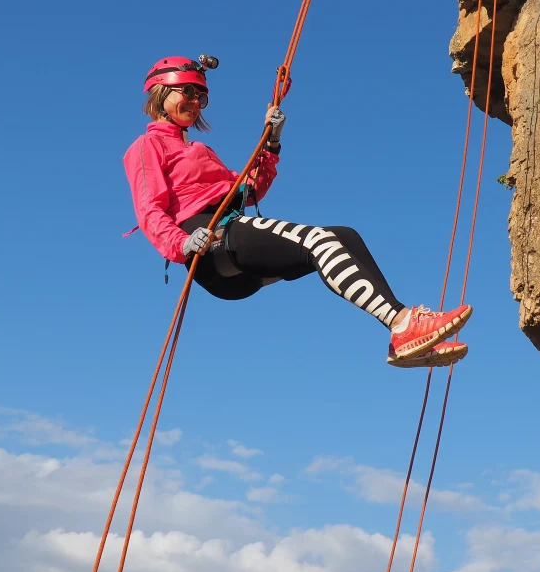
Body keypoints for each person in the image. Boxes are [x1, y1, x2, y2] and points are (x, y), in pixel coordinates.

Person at [123, 56, 473, 368]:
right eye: (187, 92)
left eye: (202, 97)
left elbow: (249, 190)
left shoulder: (201, 151)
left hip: (230, 240)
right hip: (207, 242)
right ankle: (403, 323)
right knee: (319, 241)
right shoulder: (147, 145)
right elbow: (149, 209)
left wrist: (272, 142)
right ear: (160, 92)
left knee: (344, 236)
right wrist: (182, 244)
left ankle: (406, 338)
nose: (195, 103)